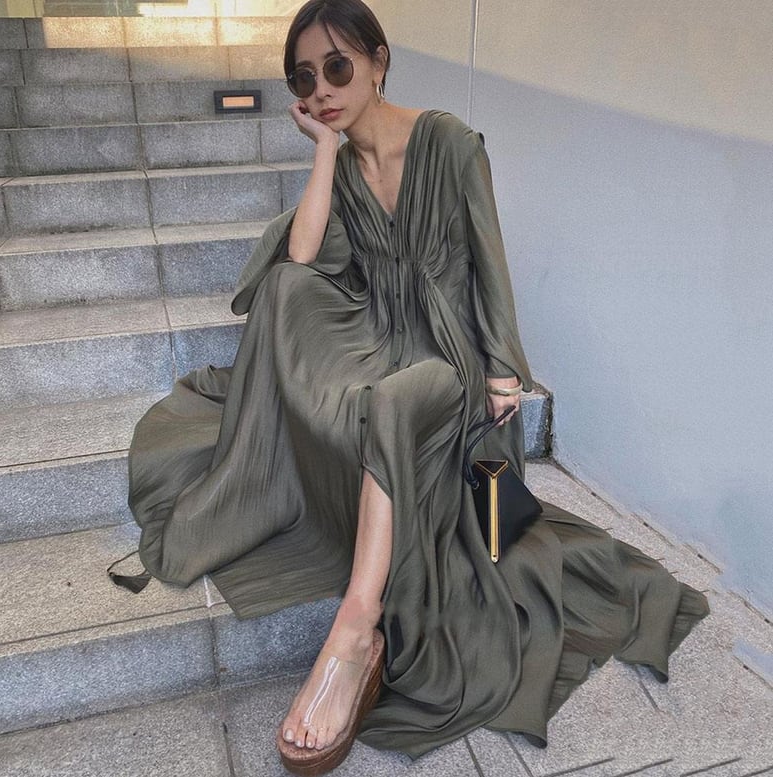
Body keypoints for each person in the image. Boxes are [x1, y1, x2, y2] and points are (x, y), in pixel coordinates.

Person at [126, 0, 709, 774]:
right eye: (303, 77)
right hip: (376, 335)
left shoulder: (448, 141)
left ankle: (357, 624)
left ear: (378, 61)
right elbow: (300, 260)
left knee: (394, 401)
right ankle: (350, 587)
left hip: (448, 353)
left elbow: (486, 255)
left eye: (338, 66)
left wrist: (502, 369)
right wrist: (324, 152)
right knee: (286, 291)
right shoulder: (343, 165)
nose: (322, 87)